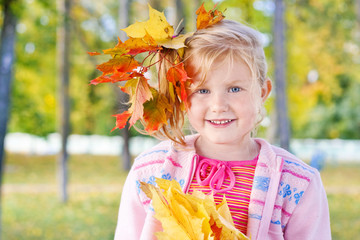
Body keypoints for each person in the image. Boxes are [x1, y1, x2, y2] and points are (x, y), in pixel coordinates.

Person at [111, 6, 331, 240]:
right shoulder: (151, 171)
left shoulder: (296, 183)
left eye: (234, 88)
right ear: (183, 96)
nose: (218, 105)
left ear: (262, 92)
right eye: (202, 90)